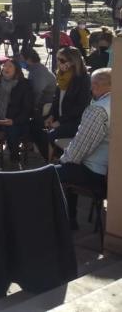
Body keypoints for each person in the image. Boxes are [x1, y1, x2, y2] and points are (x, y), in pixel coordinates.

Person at [56, 68, 111, 230]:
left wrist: (63, 160)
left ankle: (66, 221)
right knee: (66, 167)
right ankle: (68, 219)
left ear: (94, 86)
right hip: (110, 173)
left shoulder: (98, 110)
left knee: (53, 173)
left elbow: (77, 151)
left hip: (97, 173)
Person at [42, 46, 92, 161]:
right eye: (58, 59)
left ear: (73, 62)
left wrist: (60, 122)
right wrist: (51, 116)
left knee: (50, 135)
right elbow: (56, 99)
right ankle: (55, 158)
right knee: (36, 127)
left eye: (62, 60)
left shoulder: (83, 79)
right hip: (60, 118)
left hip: (75, 122)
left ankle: (49, 165)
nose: (58, 63)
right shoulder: (61, 76)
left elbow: (81, 106)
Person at [0, 58, 34, 165]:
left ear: (16, 70)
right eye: (4, 66)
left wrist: (13, 121)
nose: (6, 68)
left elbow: (27, 109)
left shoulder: (24, 85)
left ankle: (15, 157)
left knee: (12, 130)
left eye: (10, 66)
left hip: (16, 120)